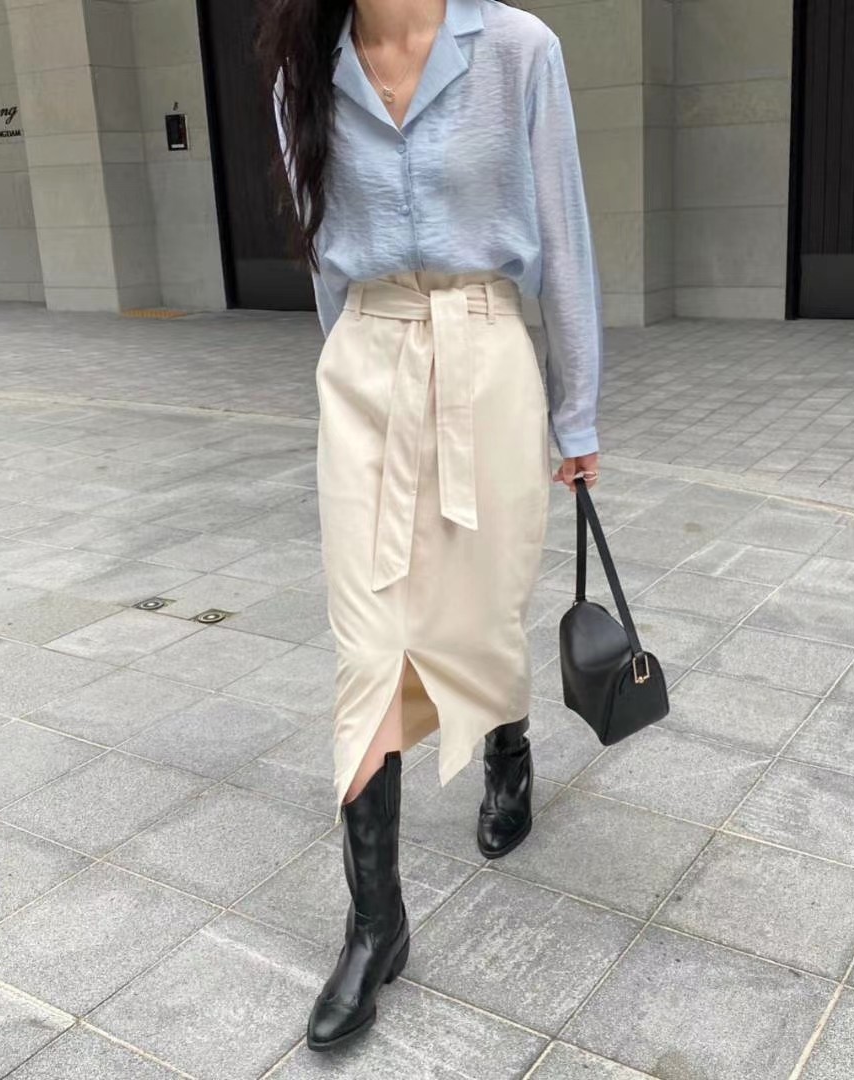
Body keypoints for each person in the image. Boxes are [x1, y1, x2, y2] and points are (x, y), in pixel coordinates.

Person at [261, 0, 602, 1051]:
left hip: (486, 356)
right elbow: (324, 264)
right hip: (368, 366)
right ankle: (376, 924)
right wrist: (350, 377)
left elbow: (563, 238)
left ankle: (507, 744)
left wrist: (577, 410)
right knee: (367, 645)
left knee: (482, 606)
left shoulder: (519, 51)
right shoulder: (304, 72)